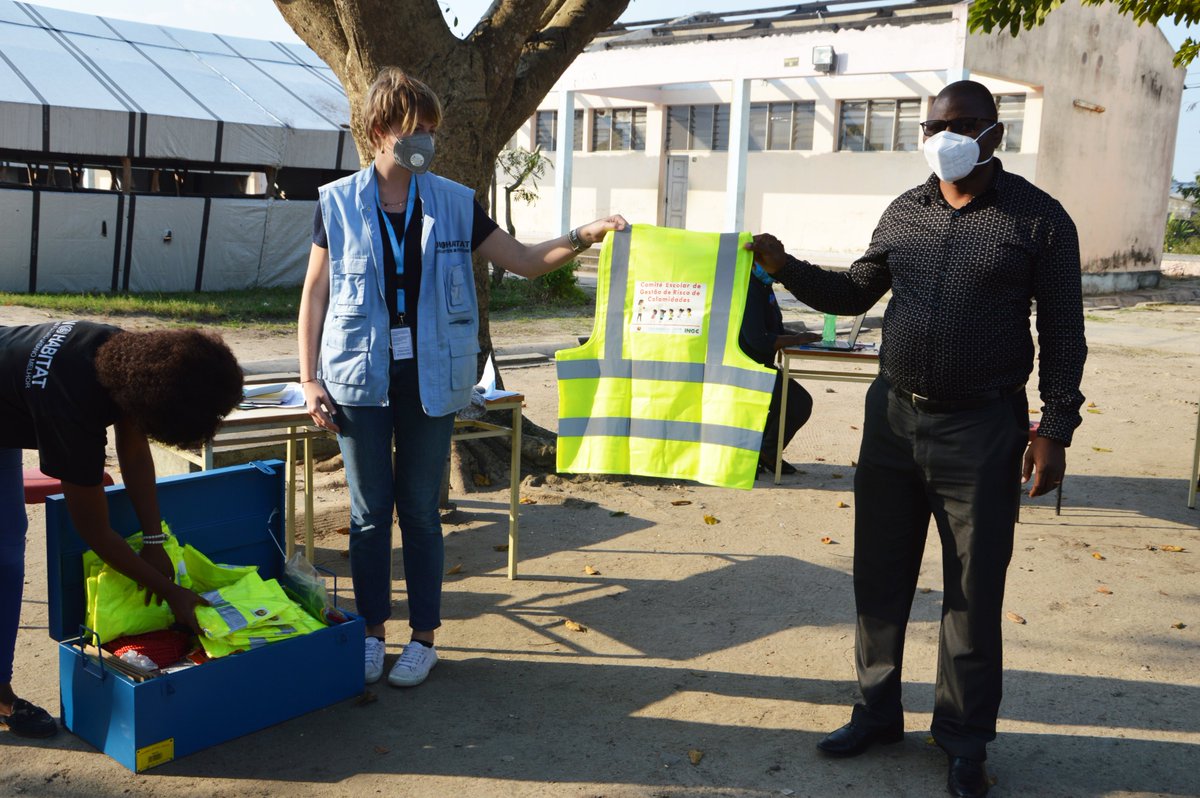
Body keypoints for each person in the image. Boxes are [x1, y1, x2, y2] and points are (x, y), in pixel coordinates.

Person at [748, 80, 1086, 798]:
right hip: (893, 421)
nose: (944, 137)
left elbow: (1064, 331)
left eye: (962, 124)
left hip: (983, 427)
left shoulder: (1039, 219)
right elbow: (854, 291)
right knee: (879, 574)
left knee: (972, 589)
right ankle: (875, 713)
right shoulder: (906, 210)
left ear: (995, 133)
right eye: (934, 126)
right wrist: (784, 268)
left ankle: (963, 740)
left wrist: (1054, 428)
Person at [298, 67, 626, 689]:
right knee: (369, 514)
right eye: (415, 128)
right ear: (379, 130)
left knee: (421, 511)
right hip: (358, 377)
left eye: (431, 129)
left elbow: (524, 261)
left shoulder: (453, 201)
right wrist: (309, 378)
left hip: (433, 379)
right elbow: (315, 292)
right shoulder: (336, 201)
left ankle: (423, 638)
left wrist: (584, 234)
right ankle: (371, 632)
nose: (427, 139)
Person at [1, 322, 243, 738]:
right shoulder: (70, 407)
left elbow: (133, 451)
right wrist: (172, 593)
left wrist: (154, 539)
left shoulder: (126, 358)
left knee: (6, 546)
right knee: (3, 554)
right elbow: (94, 529)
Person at [737, 263, 819, 475]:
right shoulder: (748, 288)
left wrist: (803, 337)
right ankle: (765, 452)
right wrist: (796, 339)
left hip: (761, 365)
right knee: (798, 402)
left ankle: (763, 453)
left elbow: (773, 329)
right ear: (755, 262)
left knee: (792, 401)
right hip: (748, 368)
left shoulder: (763, 286)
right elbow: (758, 339)